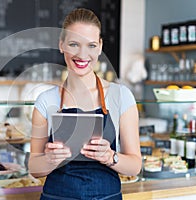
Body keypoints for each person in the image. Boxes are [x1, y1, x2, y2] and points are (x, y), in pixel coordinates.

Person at [28, 8, 141, 200]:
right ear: (61, 45)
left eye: (91, 45)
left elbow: (135, 165)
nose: (82, 54)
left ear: (100, 47)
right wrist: (49, 160)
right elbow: (34, 168)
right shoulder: (46, 100)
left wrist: (110, 157)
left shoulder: (121, 96)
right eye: (74, 44)